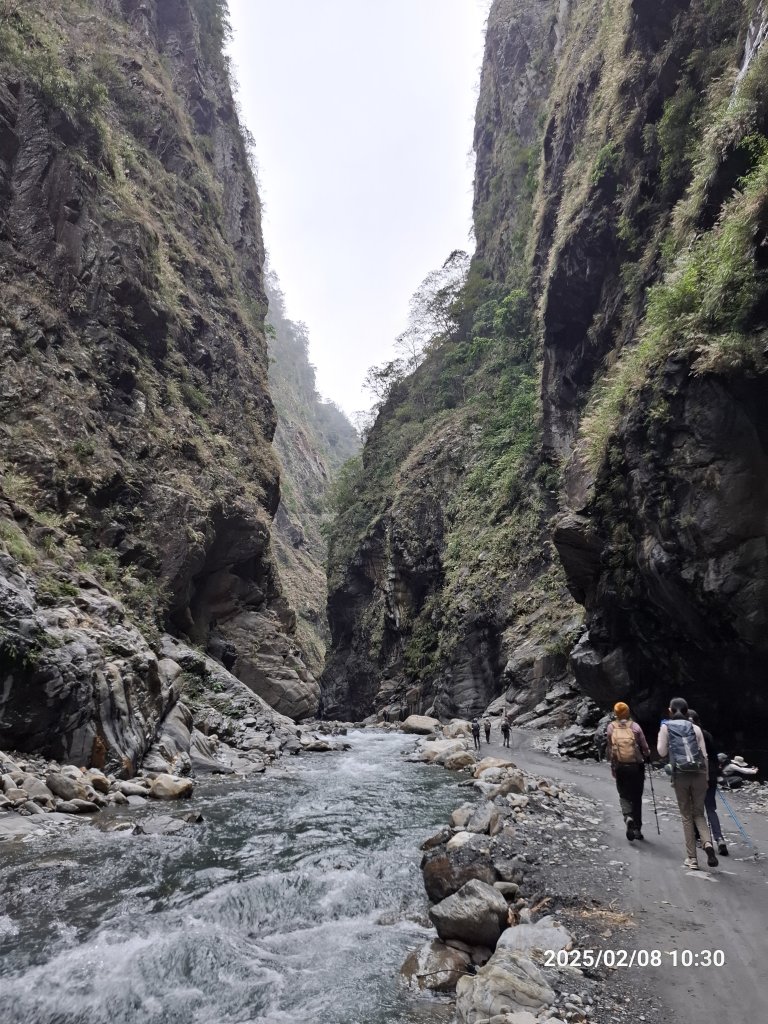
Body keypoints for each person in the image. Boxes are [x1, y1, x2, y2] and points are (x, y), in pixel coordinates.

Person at [657, 697, 718, 870]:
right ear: (686, 711)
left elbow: (661, 752)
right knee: (699, 813)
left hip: (680, 775)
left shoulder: (666, 727)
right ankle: (707, 844)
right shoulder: (696, 728)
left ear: (670, 711)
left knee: (686, 816)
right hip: (699, 773)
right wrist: (706, 779)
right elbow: (704, 755)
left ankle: (692, 858)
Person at [605, 702, 650, 841]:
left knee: (624, 795)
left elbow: (610, 749)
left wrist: (613, 767)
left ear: (615, 713)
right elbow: (645, 748)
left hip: (620, 767)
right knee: (636, 797)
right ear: (628, 712)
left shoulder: (611, 727)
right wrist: (647, 755)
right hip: (636, 767)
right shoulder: (635, 727)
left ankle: (628, 817)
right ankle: (637, 829)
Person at [688, 709, 727, 856]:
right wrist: (717, 774)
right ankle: (720, 839)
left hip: (695, 776)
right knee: (711, 809)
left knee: (696, 810)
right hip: (710, 776)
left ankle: (699, 838)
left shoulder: (688, 737)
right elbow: (715, 758)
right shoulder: (707, 735)